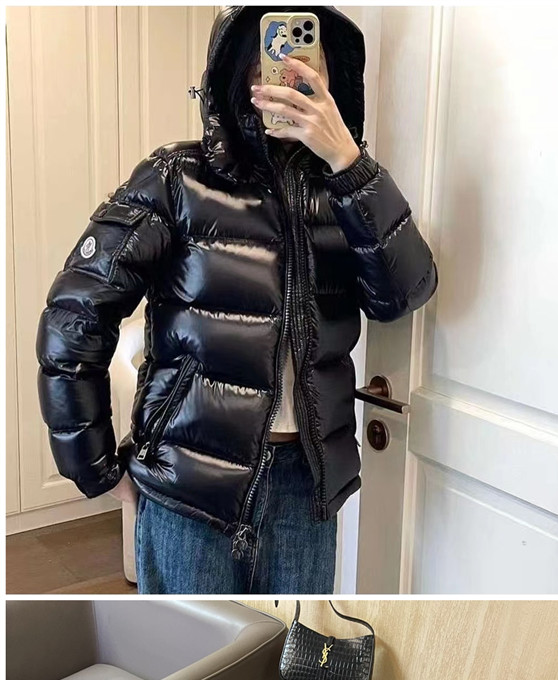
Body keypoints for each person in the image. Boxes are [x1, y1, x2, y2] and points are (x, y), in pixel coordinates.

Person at [37, 4, 437, 603]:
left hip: (305, 489)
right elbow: (75, 317)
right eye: (265, 56)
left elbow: (402, 295)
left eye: (305, 56)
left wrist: (349, 165)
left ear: (332, 72)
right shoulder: (176, 178)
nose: (284, 74)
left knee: (286, 651)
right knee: (185, 653)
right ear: (235, 72)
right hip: (188, 490)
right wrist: (95, 469)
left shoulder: (347, 191)